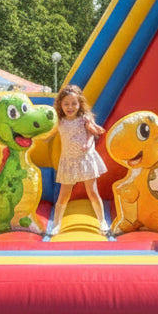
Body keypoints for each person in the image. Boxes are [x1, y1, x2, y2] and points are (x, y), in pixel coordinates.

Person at [51, 84, 108, 235]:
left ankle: (102, 222)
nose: (70, 107)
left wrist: (89, 142)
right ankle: (56, 225)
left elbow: (92, 132)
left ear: (80, 103)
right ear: (60, 105)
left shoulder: (84, 118)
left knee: (93, 192)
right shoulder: (60, 120)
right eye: (66, 104)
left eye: (74, 103)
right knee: (63, 196)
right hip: (68, 161)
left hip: (85, 158)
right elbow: (48, 133)